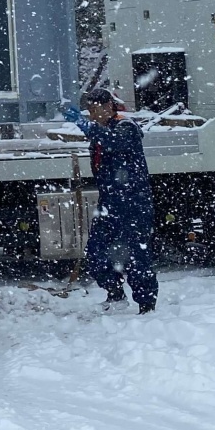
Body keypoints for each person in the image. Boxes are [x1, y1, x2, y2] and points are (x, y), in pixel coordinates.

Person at [62, 84, 159, 313]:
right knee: (97, 252)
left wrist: (86, 126)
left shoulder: (126, 127)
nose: (92, 116)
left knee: (136, 255)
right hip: (110, 203)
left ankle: (146, 305)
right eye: (89, 112)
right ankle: (115, 294)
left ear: (108, 107)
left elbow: (113, 142)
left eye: (95, 111)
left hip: (133, 202)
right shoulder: (100, 129)